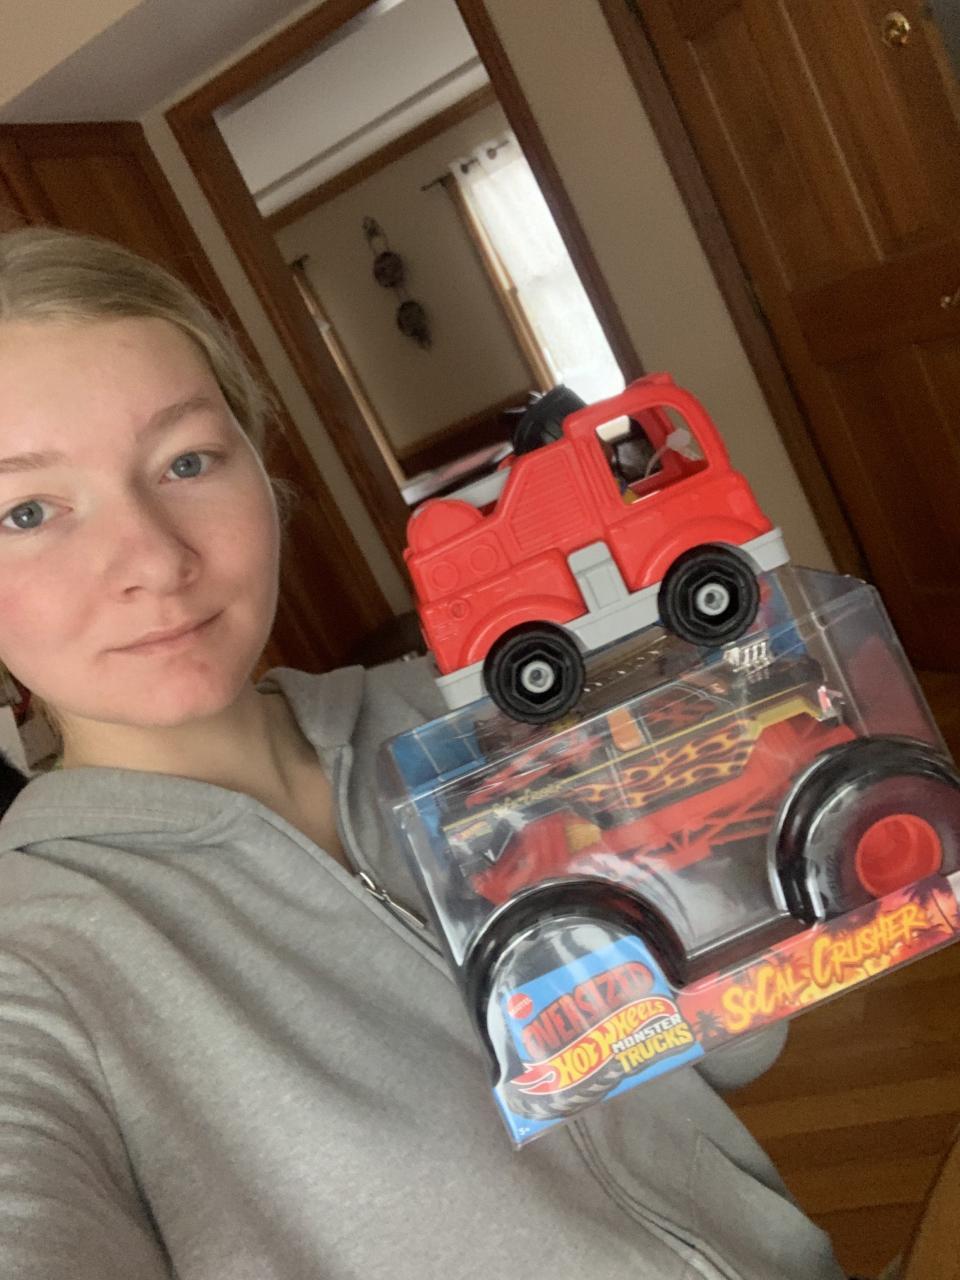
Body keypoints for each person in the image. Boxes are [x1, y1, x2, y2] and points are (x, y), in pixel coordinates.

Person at [0, 226, 846, 1280]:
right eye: (26, 511)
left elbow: (734, 1047)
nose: (155, 559)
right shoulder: (32, 963)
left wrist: (726, 812)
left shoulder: (467, 709)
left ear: (261, 468)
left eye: (186, 461)